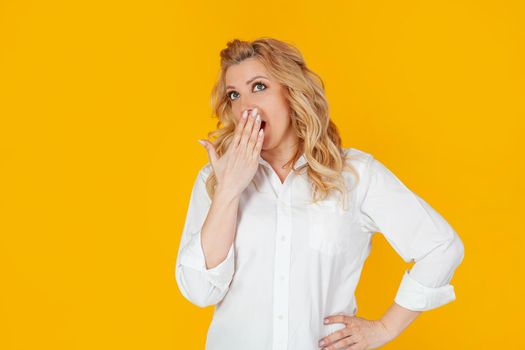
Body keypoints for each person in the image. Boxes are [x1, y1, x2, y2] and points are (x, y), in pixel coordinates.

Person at [175, 37, 465, 350]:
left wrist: (384, 328)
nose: (246, 106)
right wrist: (229, 190)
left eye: (259, 87)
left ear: (291, 91)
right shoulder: (215, 178)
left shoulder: (355, 174)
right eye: (234, 95)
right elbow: (199, 290)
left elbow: (441, 247)